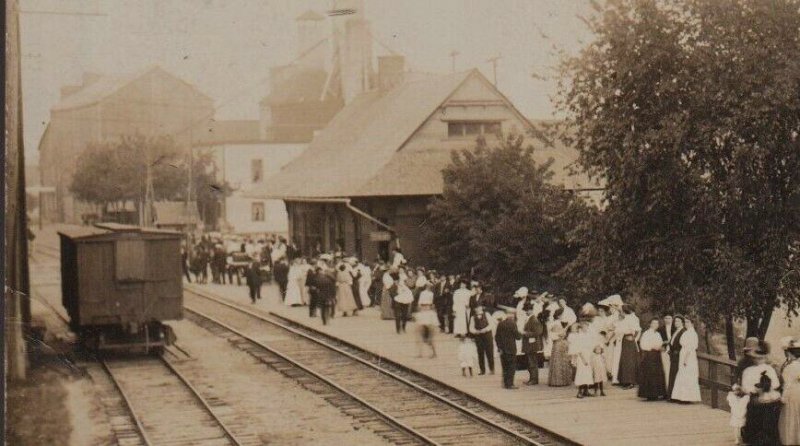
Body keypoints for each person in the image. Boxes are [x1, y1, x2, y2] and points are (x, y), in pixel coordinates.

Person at [741, 341, 782, 446]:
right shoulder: (770, 369)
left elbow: (746, 389)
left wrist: (755, 391)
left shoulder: (748, 371)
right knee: (770, 426)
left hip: (756, 402)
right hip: (770, 402)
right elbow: (776, 385)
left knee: (755, 426)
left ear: (753, 358)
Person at [670, 317, 701, 403]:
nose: (686, 324)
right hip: (683, 354)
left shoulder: (693, 333)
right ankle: (681, 396)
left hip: (689, 356)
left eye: (688, 322)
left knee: (688, 375)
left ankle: (687, 398)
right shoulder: (686, 332)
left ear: (692, 323)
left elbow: (691, 348)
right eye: (686, 322)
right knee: (682, 375)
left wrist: (686, 359)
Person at [638, 318, 667, 400]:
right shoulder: (646, 333)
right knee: (650, 374)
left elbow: (660, 343)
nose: (655, 325)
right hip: (649, 355)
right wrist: (652, 347)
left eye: (657, 324)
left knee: (657, 373)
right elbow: (643, 345)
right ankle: (650, 394)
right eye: (653, 323)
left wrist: (661, 347)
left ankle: (658, 393)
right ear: (650, 324)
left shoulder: (658, 334)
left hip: (657, 355)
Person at [779, 338, 800, 446]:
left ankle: (792, 440)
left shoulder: (789, 368)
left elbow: (787, 385)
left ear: (791, 354)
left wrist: (783, 398)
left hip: (793, 393)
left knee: (791, 415)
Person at [616, 304, 640, 389]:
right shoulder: (626, 318)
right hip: (624, 340)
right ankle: (624, 380)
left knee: (629, 361)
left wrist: (633, 337)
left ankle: (631, 381)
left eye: (622, 310)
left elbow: (637, 329)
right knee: (624, 360)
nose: (621, 312)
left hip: (629, 340)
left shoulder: (631, 318)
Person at [495, 311, 521, 389]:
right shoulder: (513, 324)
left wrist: (499, 347)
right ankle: (510, 384)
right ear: (513, 316)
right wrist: (521, 334)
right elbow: (518, 337)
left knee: (505, 367)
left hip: (502, 349)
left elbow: (497, 337)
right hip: (511, 348)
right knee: (511, 366)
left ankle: (505, 383)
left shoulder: (500, 324)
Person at [548, 309, 573, 387]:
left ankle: (560, 380)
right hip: (558, 343)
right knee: (559, 361)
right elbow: (560, 334)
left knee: (560, 361)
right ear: (559, 316)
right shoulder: (556, 323)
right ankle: (558, 381)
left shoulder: (557, 323)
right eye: (562, 315)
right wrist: (567, 327)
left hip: (560, 343)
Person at [520, 308, 545, 385]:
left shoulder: (534, 320)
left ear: (531, 310)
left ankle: (534, 380)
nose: (526, 311)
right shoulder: (530, 319)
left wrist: (525, 333)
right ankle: (532, 378)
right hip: (529, 344)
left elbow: (538, 332)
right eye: (526, 310)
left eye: (528, 310)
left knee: (532, 362)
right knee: (530, 362)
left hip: (532, 345)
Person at [468, 305, 495, 375]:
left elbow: (491, 324)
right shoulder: (473, 317)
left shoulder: (487, 314)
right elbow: (471, 328)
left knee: (490, 352)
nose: (477, 309)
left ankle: (492, 369)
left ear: (481, 308)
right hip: (478, 336)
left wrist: (485, 329)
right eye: (476, 308)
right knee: (480, 353)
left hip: (487, 335)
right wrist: (475, 331)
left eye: (478, 307)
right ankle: (482, 370)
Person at [571, 322, 594, 398]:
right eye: (585, 327)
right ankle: (579, 391)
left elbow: (591, 346)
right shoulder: (579, 337)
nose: (586, 328)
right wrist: (583, 359)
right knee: (581, 373)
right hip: (582, 357)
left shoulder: (588, 335)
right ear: (581, 328)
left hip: (588, 355)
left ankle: (586, 390)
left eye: (587, 327)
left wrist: (591, 357)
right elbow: (578, 349)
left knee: (588, 373)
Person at [667, 315, 687, 397]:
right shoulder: (676, 331)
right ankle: (671, 395)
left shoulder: (683, 331)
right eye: (675, 321)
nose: (676, 323)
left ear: (682, 322)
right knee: (673, 374)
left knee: (677, 375)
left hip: (678, 355)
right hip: (673, 356)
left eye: (678, 321)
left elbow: (684, 345)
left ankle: (676, 396)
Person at [415, 284, 438, 358]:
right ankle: (420, 353)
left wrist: (432, 330)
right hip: (422, 327)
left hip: (430, 328)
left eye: (427, 306)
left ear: (429, 306)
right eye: (423, 306)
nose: (425, 307)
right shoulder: (420, 313)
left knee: (430, 341)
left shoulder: (432, 313)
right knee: (419, 340)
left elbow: (435, 324)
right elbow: (418, 323)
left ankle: (434, 353)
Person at [657, 314, 674, 386]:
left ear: (672, 319)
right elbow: (657, 340)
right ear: (664, 319)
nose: (667, 320)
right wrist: (663, 343)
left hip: (673, 350)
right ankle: (665, 386)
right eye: (666, 318)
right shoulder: (660, 329)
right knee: (665, 368)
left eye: (669, 318)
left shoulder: (675, 328)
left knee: (672, 368)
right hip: (664, 350)